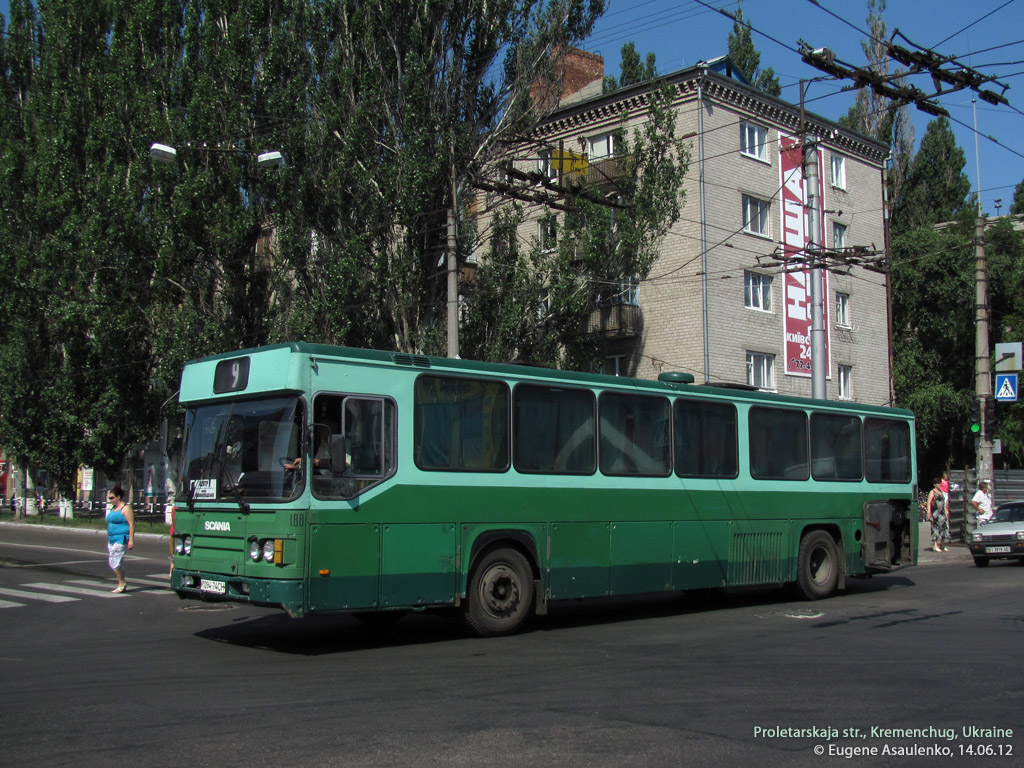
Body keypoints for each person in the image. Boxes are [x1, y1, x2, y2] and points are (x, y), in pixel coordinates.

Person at [106, 486, 135, 593]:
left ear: (118, 497)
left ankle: (121, 583)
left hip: (121, 538)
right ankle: (122, 582)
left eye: (112, 498)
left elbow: (131, 524)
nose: (110, 500)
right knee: (117, 562)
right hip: (112, 539)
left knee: (114, 563)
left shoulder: (126, 508)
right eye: (109, 498)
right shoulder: (113, 509)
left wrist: (131, 540)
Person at [927, 476, 950, 552]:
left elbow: (944, 503)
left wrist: (946, 512)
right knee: (936, 529)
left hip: (942, 513)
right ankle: (935, 546)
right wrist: (929, 512)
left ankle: (942, 545)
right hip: (936, 513)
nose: (940, 484)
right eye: (938, 483)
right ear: (934, 484)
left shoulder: (941, 492)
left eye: (940, 483)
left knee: (944, 528)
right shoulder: (932, 492)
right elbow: (929, 502)